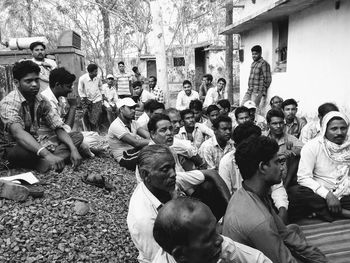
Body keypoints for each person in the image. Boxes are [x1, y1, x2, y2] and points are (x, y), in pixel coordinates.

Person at [223, 135, 327, 263]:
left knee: (293, 230)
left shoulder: (249, 192)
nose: (282, 168)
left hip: (263, 244)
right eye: (277, 162)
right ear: (262, 167)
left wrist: (320, 259)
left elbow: (284, 232)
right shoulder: (259, 221)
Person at [127, 145, 229, 263]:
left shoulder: (162, 183)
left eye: (173, 167)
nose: (173, 174)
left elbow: (211, 174)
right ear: (145, 175)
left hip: (185, 239)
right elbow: (163, 259)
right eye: (165, 169)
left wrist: (231, 210)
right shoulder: (143, 220)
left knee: (208, 186)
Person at [0, 60, 83, 173]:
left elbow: (57, 126)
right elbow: (18, 134)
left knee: (76, 137)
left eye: (36, 80)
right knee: (22, 149)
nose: (34, 84)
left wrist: (73, 149)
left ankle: (47, 161)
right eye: (28, 81)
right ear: (16, 82)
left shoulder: (41, 100)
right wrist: (47, 153)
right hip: (14, 147)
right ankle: (46, 160)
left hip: (36, 143)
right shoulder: (9, 102)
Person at [153, 197, 273, 263]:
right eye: (207, 238)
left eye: (215, 230)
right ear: (180, 254)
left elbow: (259, 260)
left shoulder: (219, 246)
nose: (220, 239)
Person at [219, 122, 289, 223]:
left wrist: (282, 210)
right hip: (241, 209)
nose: (254, 147)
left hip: (264, 201)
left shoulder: (263, 156)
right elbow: (226, 197)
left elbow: (277, 188)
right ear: (236, 145)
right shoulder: (226, 163)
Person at [288, 111, 350, 222]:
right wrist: (328, 195)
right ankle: (341, 212)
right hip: (319, 193)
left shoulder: (348, 145)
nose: (339, 132)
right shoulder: (312, 146)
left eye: (343, 128)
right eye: (334, 128)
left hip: (345, 191)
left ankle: (323, 211)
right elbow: (303, 178)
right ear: (324, 129)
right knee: (295, 192)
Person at [108, 98, 150, 170]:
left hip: (133, 152)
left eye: (134, 108)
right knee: (153, 155)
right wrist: (156, 142)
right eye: (130, 108)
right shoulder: (116, 125)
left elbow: (148, 136)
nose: (134, 110)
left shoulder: (133, 123)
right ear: (121, 109)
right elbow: (136, 143)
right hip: (125, 158)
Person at [265, 109, 304, 188]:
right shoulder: (263, 138)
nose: (278, 126)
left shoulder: (291, 139)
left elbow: (304, 149)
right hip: (267, 179)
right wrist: (280, 157)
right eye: (275, 124)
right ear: (268, 124)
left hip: (286, 180)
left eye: (281, 123)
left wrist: (293, 151)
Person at [78, 63, 103, 132]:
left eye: (97, 71)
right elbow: (80, 90)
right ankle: (88, 130)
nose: (97, 73)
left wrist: (102, 95)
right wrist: (85, 99)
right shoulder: (82, 79)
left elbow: (100, 86)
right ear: (90, 72)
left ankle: (95, 130)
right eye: (95, 71)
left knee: (96, 114)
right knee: (85, 113)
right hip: (86, 99)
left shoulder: (98, 77)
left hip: (97, 98)